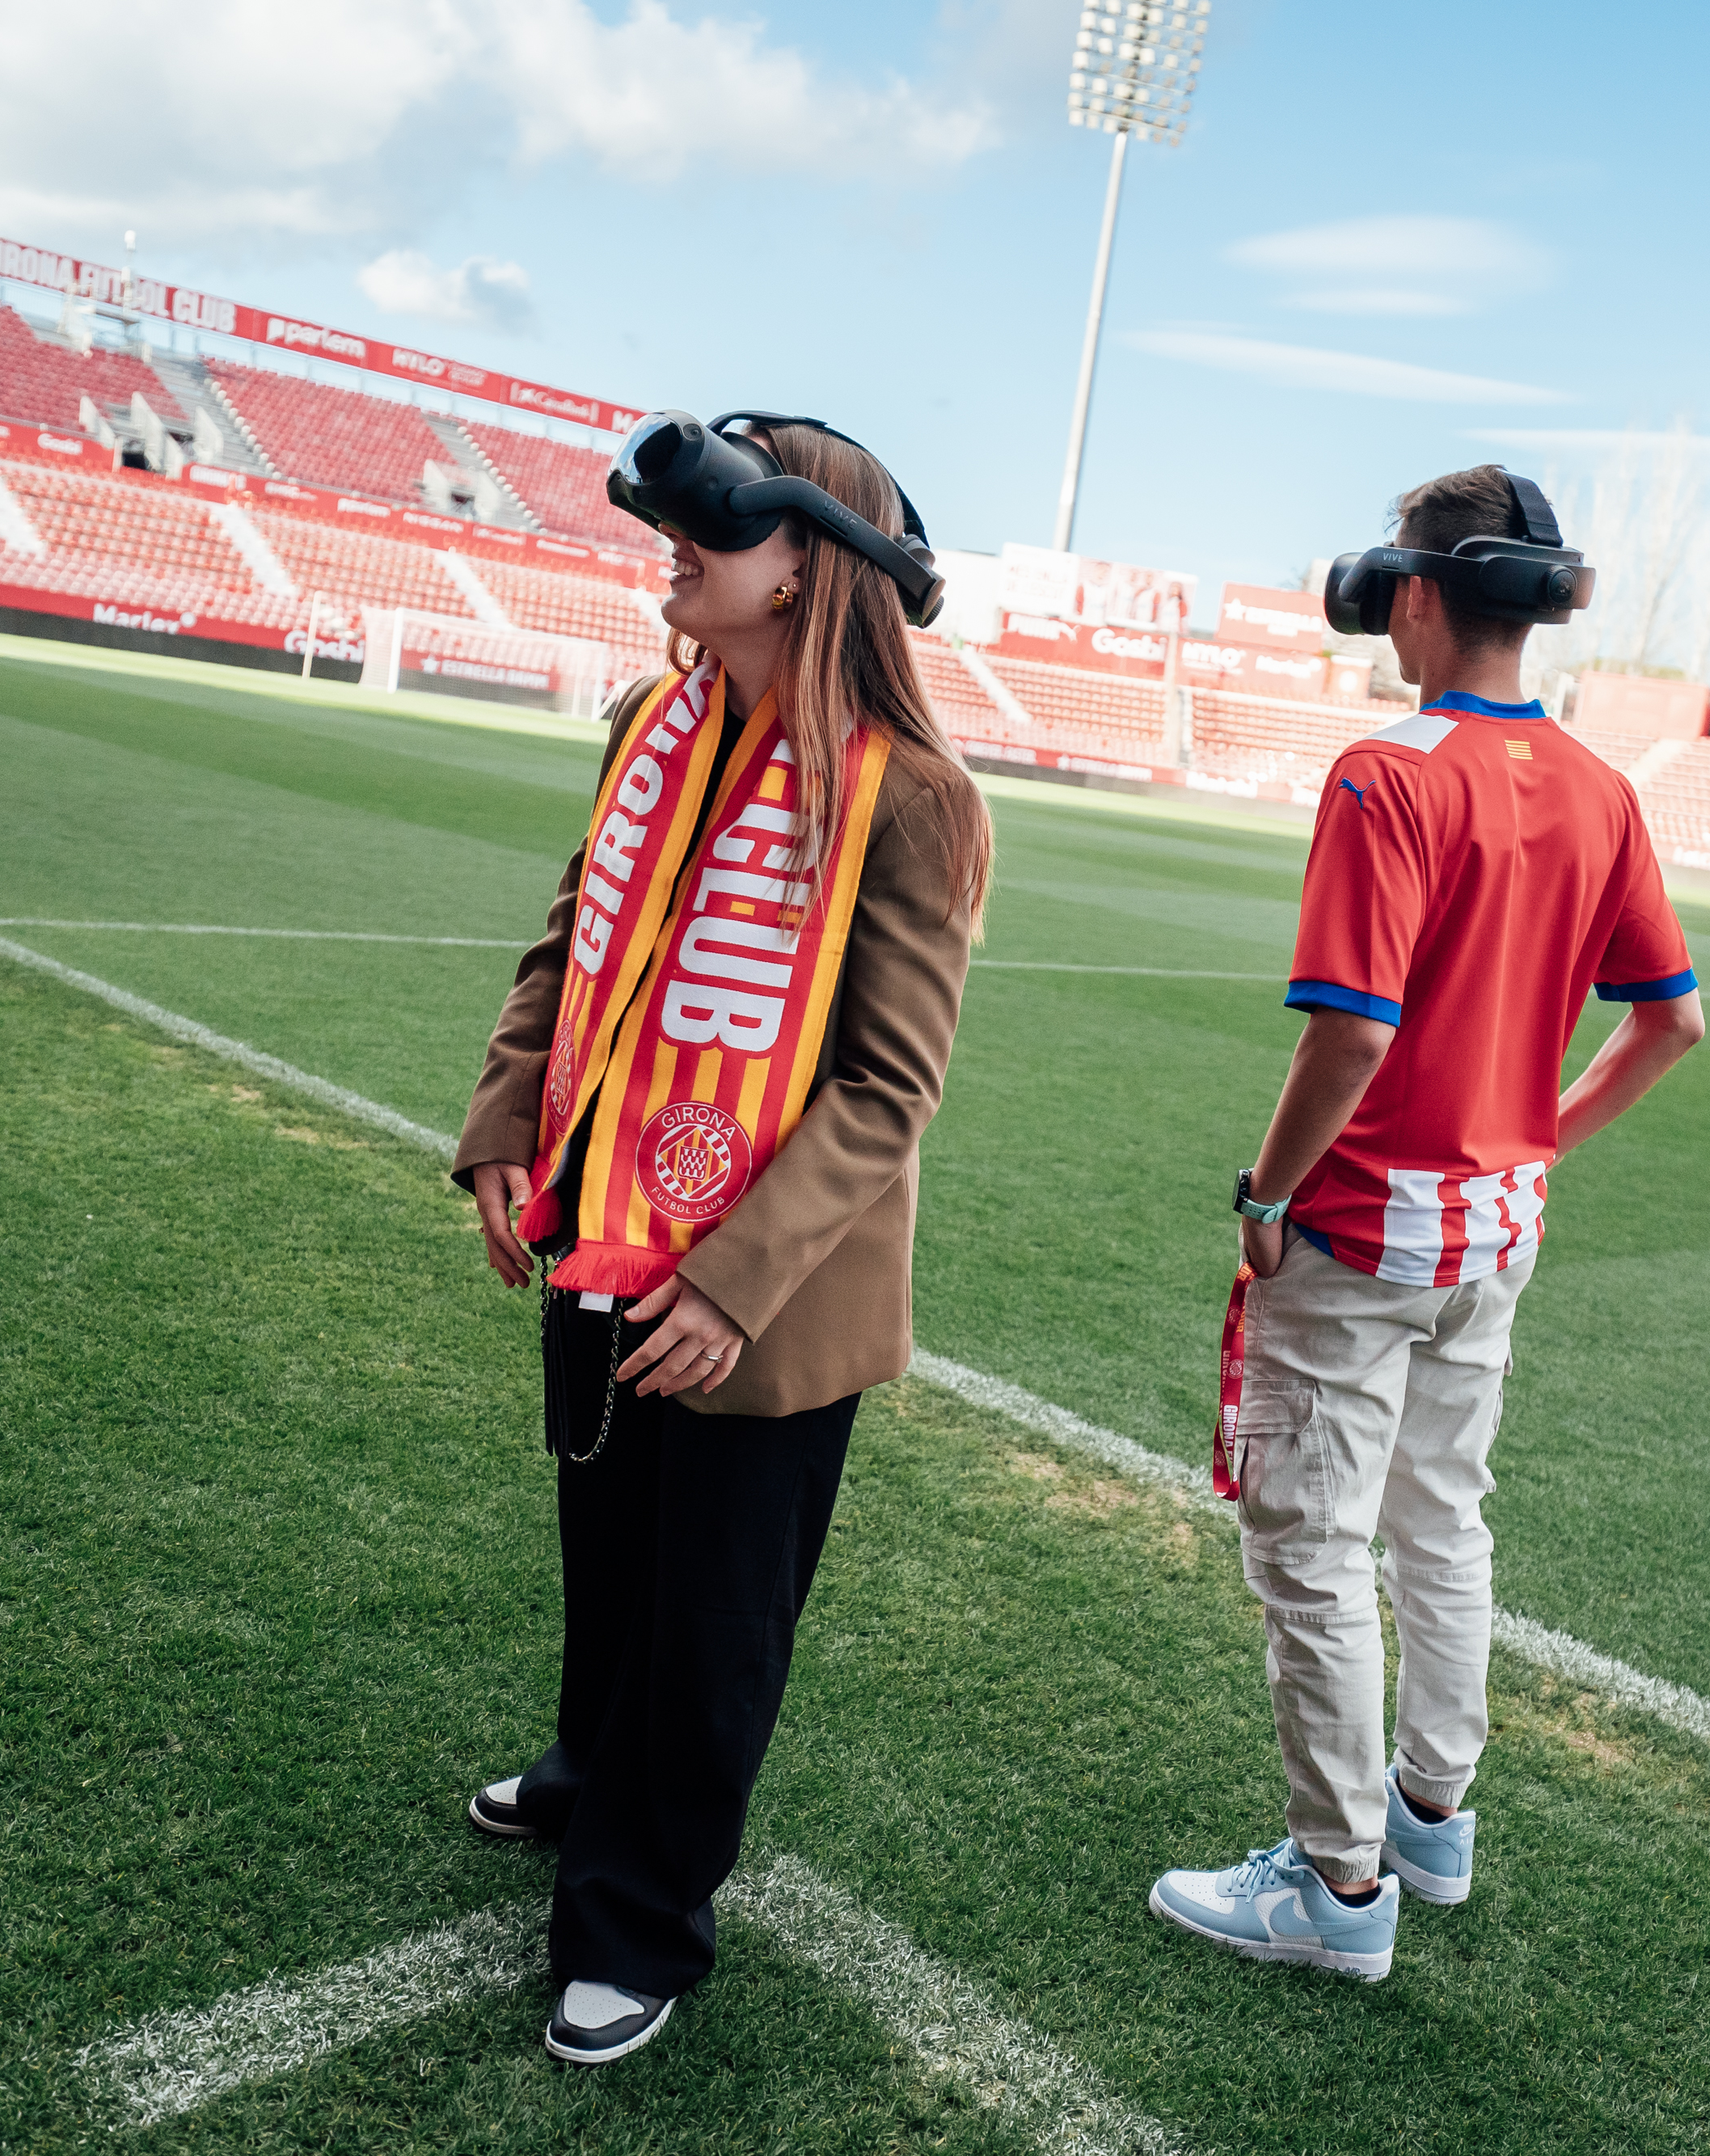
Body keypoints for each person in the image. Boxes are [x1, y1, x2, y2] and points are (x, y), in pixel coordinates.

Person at [451, 413, 990, 2064]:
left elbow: (888, 1086)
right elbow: (571, 934)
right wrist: (504, 1119)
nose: (671, 547)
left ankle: (638, 1919)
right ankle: (583, 1771)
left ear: (811, 567)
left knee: (709, 1620)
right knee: (608, 1553)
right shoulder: (651, 722)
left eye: (718, 523)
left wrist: (733, 1281)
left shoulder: (914, 801)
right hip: (602, 1225)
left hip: (765, 1297)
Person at [1148, 465, 1704, 1981]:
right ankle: (1431, 1823)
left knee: (1316, 1548)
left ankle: (1338, 1890)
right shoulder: (1602, 788)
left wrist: (1266, 1194)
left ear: (1415, 595)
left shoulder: (1385, 774)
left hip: (1363, 1231)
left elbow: (1352, 1033)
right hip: (1496, 1229)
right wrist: (1536, 1138)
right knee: (1443, 1519)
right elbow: (1672, 1022)